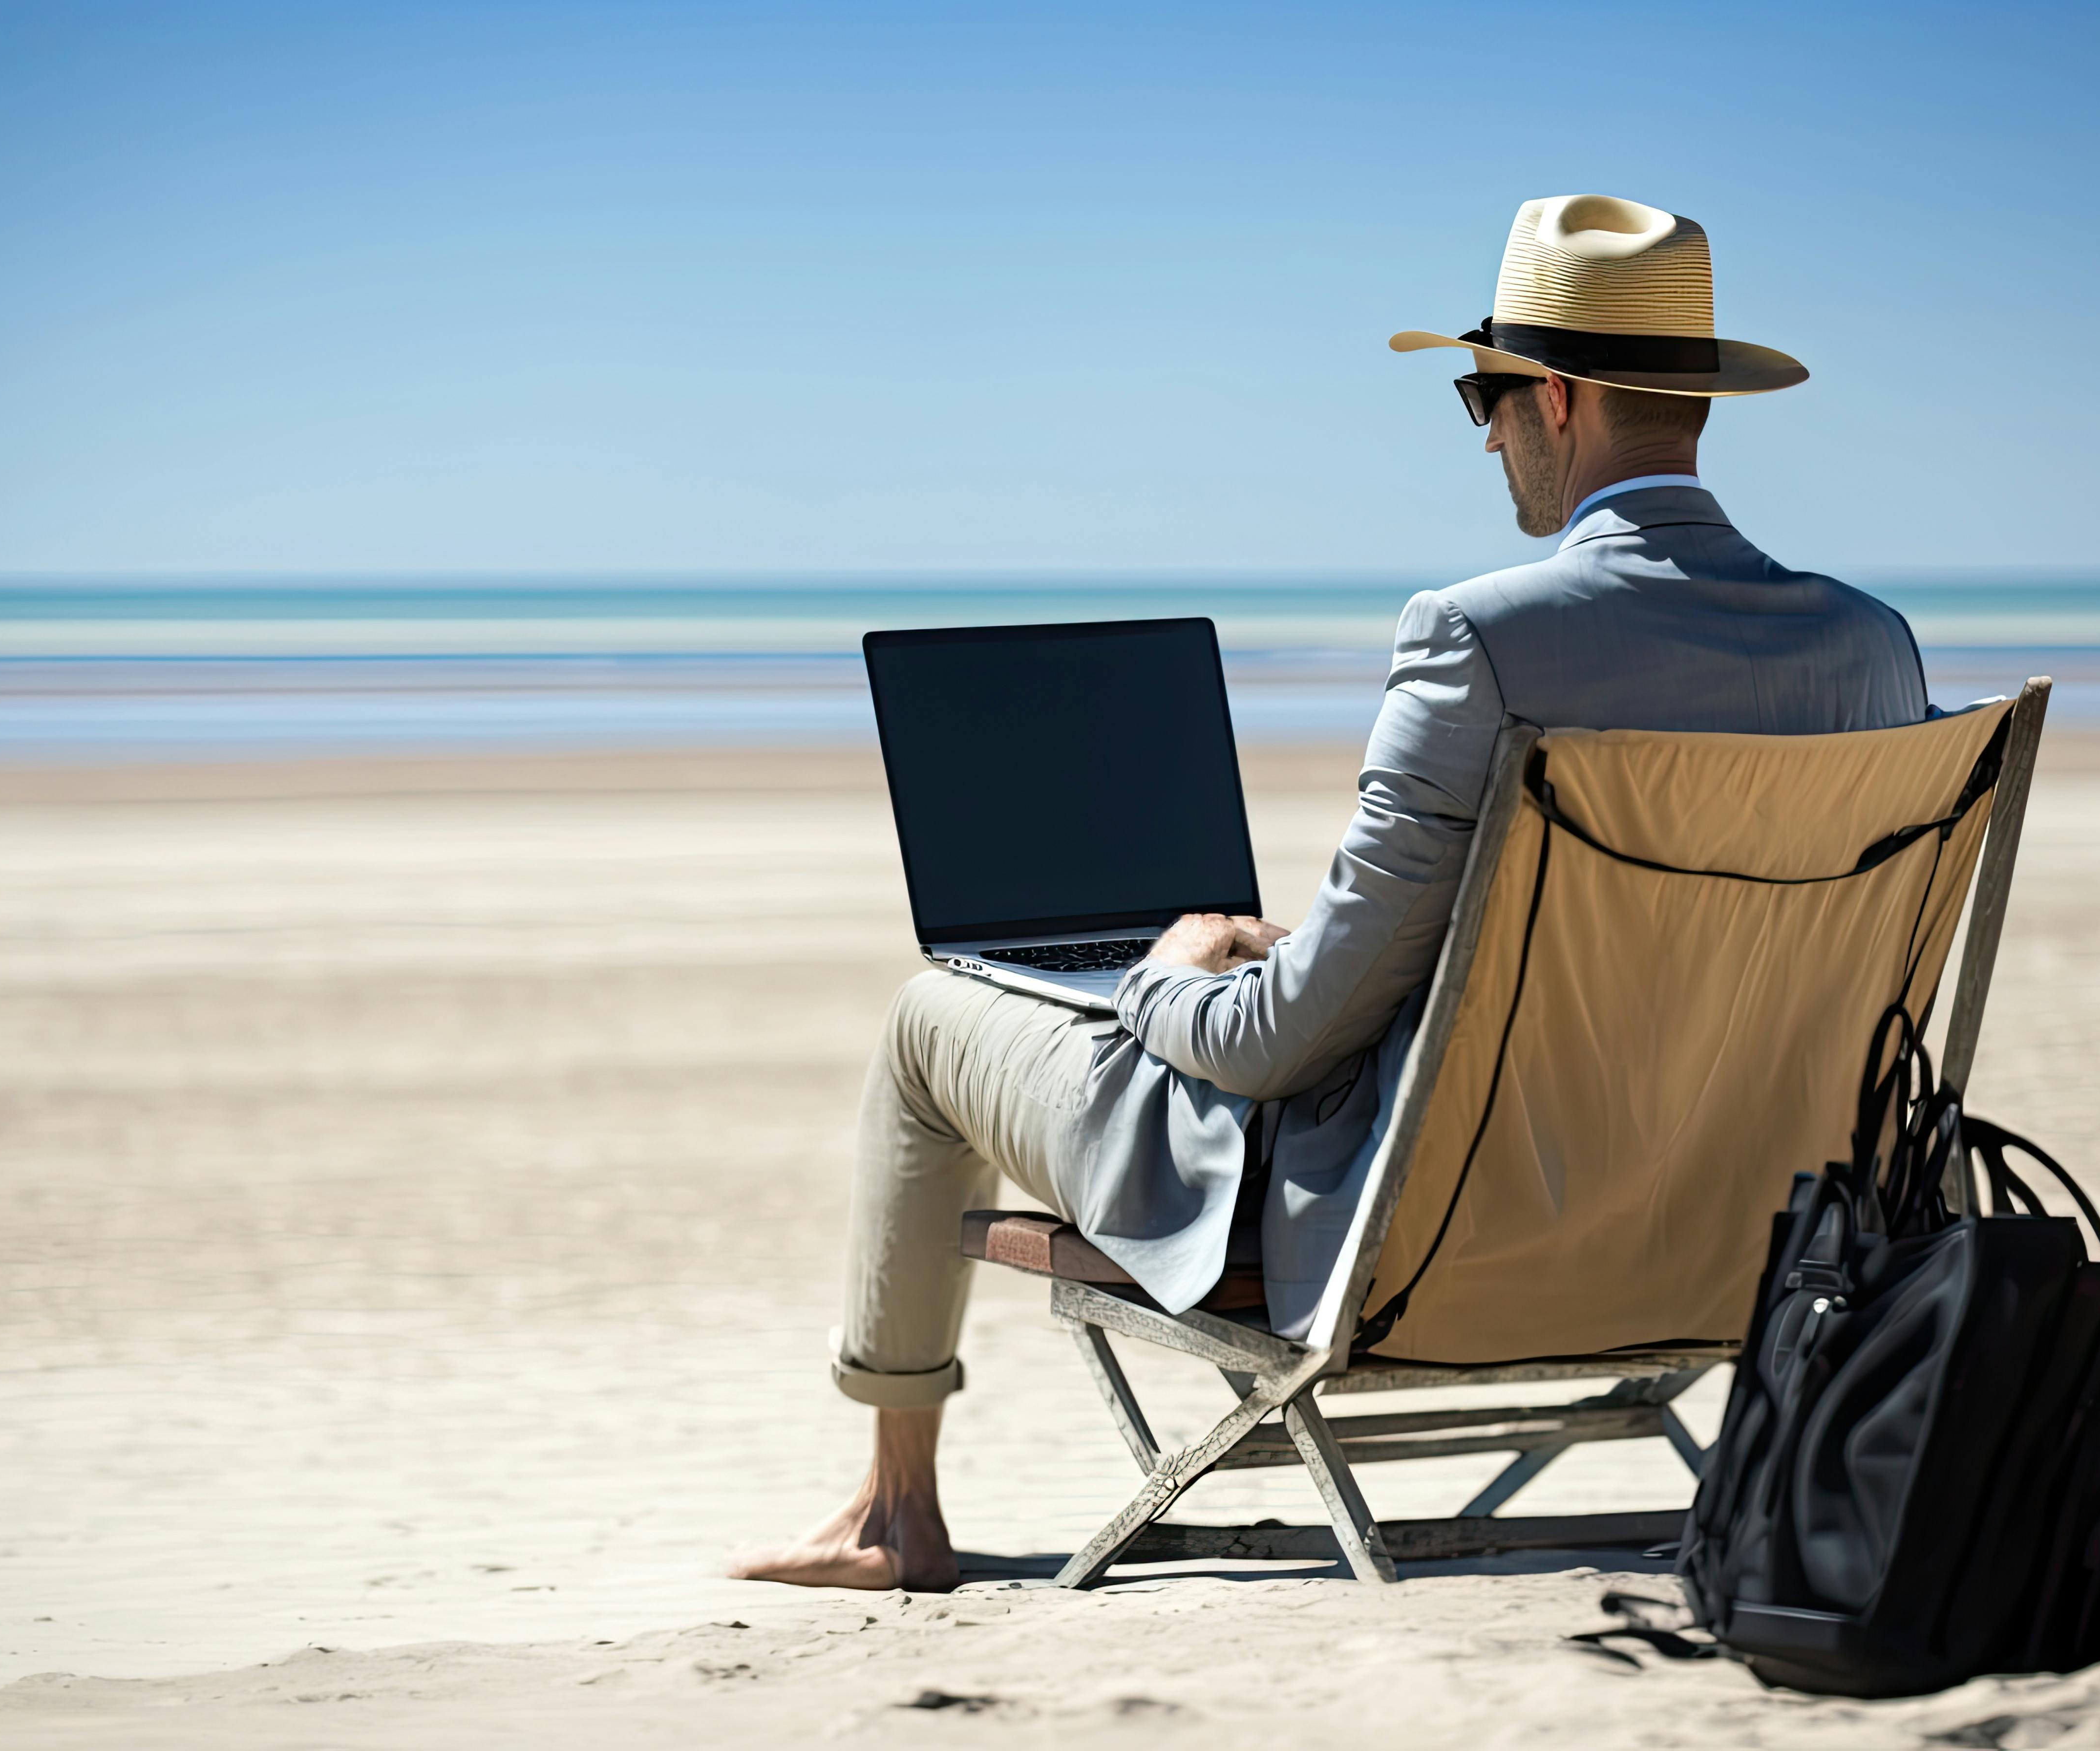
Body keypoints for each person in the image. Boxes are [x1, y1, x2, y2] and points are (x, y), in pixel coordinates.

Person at [732, 193, 1930, 1591]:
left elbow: (1280, 1047)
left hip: (1433, 1247)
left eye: (1484, 396)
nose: (1484, 434)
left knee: (929, 1017)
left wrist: (1169, 976)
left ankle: (895, 1515)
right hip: (1745, 1247)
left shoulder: (1480, 639)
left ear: (1554, 398)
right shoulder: (1869, 654)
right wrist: (1375, 954)